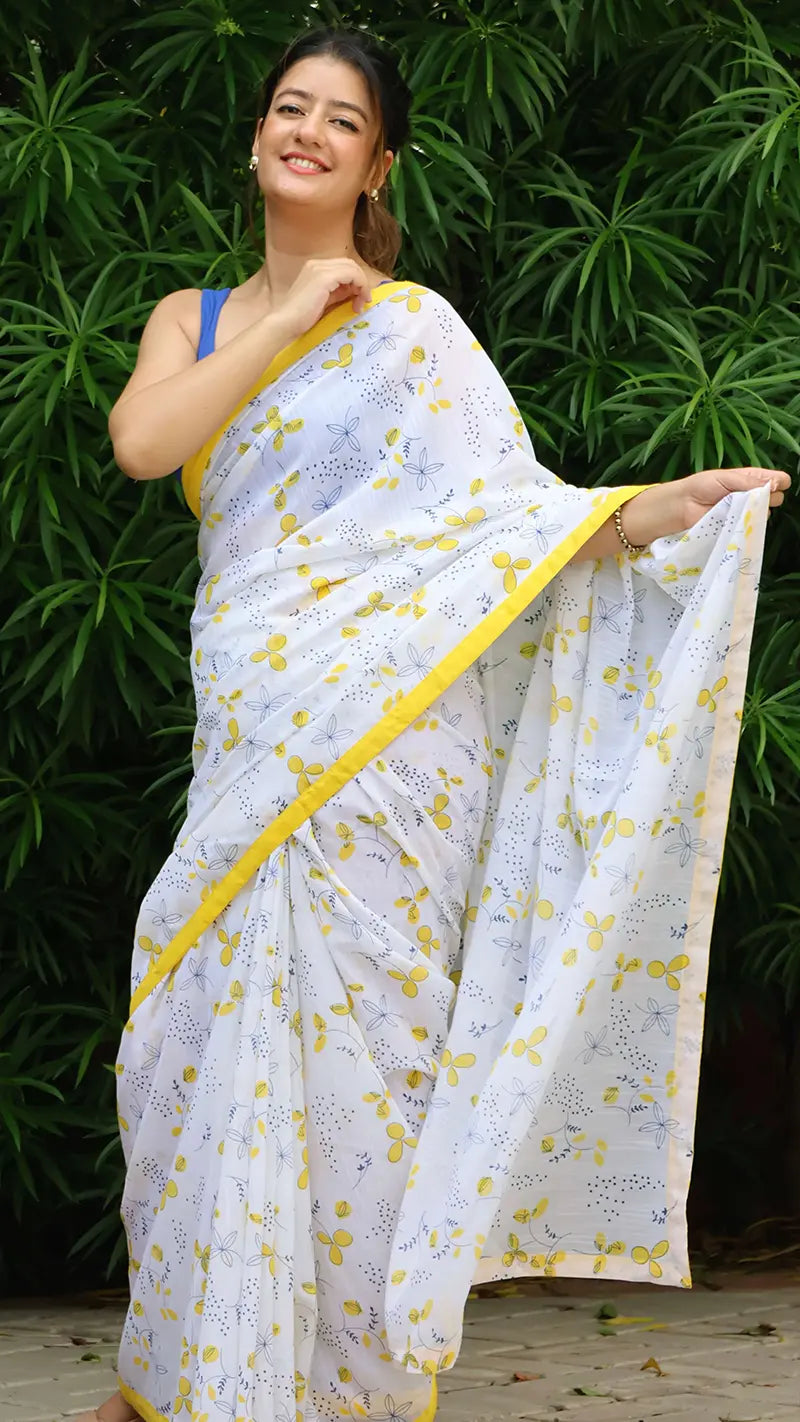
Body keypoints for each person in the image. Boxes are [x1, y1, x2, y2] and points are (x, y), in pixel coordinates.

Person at [82, 24, 788, 1422]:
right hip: (257, 729)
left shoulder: (419, 336)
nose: (309, 131)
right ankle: (183, 1378)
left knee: (367, 1071)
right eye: (291, 108)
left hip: (389, 764)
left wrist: (660, 510)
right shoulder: (194, 318)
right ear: (256, 137)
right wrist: (291, 313)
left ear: (378, 165)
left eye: (342, 121)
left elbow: (506, 525)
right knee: (187, 1050)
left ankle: (344, 1393)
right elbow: (145, 444)